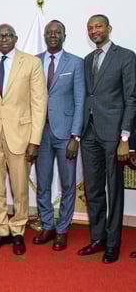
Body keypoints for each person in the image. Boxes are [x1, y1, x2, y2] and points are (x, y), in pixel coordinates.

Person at [0, 23, 46, 255]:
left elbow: (39, 104)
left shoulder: (32, 63)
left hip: (21, 136)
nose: (3, 39)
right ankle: (1, 230)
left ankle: (17, 231)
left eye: (8, 35)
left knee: (19, 188)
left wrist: (34, 140)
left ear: (15, 38)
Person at [77, 14, 136, 264]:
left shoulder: (125, 56)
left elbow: (131, 98)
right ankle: (98, 238)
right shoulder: (88, 59)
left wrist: (125, 138)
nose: (94, 31)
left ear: (109, 28)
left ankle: (113, 244)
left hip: (113, 134)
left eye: (99, 26)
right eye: (90, 28)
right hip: (89, 133)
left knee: (114, 190)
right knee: (93, 190)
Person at [33, 20, 85, 251]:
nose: (53, 35)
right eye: (49, 32)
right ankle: (47, 224)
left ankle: (62, 229)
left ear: (65, 35)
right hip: (39, 133)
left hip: (65, 134)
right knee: (42, 182)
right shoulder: (33, 62)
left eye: (58, 32)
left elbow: (80, 100)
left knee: (67, 184)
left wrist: (75, 135)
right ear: (44, 35)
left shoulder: (76, 62)